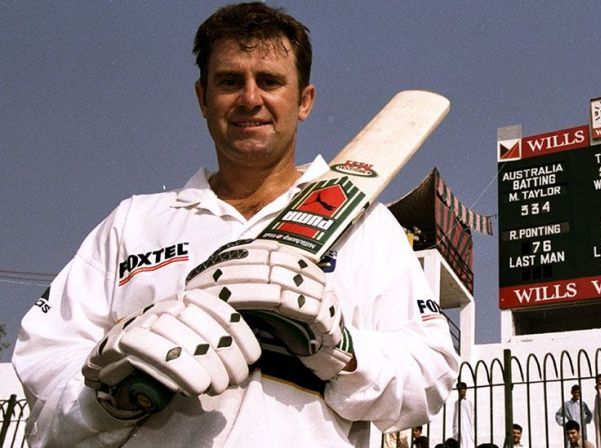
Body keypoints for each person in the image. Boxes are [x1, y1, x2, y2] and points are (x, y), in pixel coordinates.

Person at [11, 3, 458, 447]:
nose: (249, 99)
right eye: (229, 81)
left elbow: (430, 374)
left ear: (304, 100)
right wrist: (110, 392)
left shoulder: (367, 225)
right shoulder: (135, 222)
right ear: (202, 98)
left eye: (269, 81)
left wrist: (342, 348)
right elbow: (44, 359)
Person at [453, 382, 475, 448]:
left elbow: (472, 415)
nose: (460, 391)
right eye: (459, 389)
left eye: (462, 389)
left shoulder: (469, 401)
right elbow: (455, 417)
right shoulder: (456, 403)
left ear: (465, 389)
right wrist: (455, 429)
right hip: (460, 428)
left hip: (468, 428)